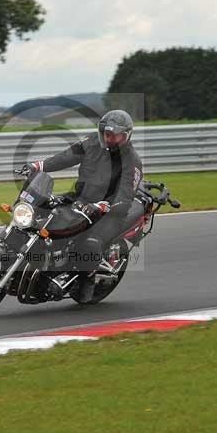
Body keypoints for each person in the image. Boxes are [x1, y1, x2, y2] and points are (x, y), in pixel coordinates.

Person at [23, 109, 143, 302]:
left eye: (116, 136)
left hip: (110, 212)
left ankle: (87, 281)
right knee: (43, 213)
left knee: (90, 243)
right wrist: (39, 166)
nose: (111, 139)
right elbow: (66, 156)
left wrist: (105, 206)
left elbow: (126, 196)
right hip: (81, 199)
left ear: (127, 136)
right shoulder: (91, 143)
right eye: (107, 134)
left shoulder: (132, 162)